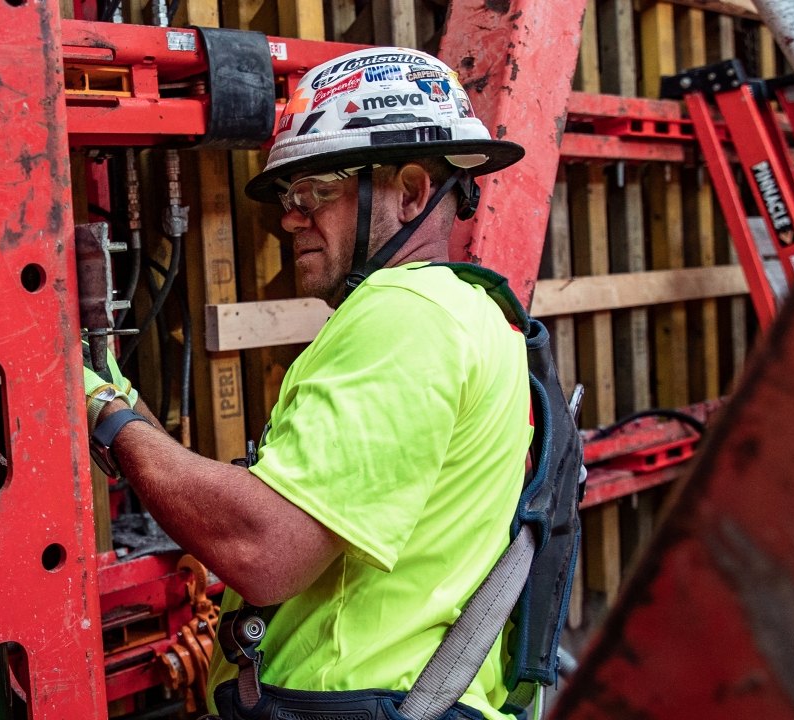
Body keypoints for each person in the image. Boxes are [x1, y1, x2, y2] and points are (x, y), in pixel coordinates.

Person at [83, 47, 532, 720]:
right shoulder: (469, 312)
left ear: (410, 191)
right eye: (290, 198)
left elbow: (267, 549)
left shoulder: (406, 317)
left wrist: (112, 424)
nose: (290, 217)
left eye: (316, 191)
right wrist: (128, 406)